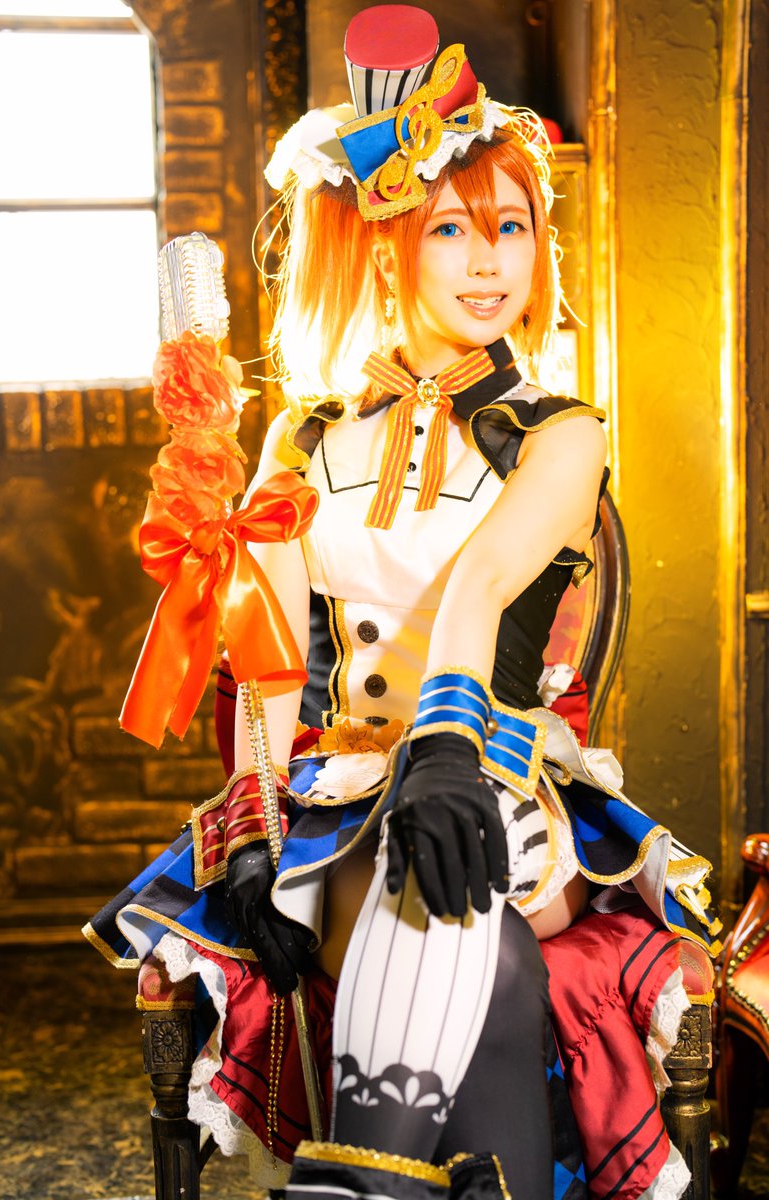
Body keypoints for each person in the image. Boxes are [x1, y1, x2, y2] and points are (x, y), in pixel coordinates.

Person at [85, 8, 720, 1200]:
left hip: (497, 777)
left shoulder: (560, 432)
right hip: (333, 796)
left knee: (441, 864)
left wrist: (440, 749)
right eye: (451, 229)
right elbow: (270, 666)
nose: (491, 262)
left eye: (512, 228)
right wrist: (250, 828)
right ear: (381, 244)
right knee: (486, 970)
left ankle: (349, 1188)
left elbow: (479, 586)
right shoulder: (302, 437)